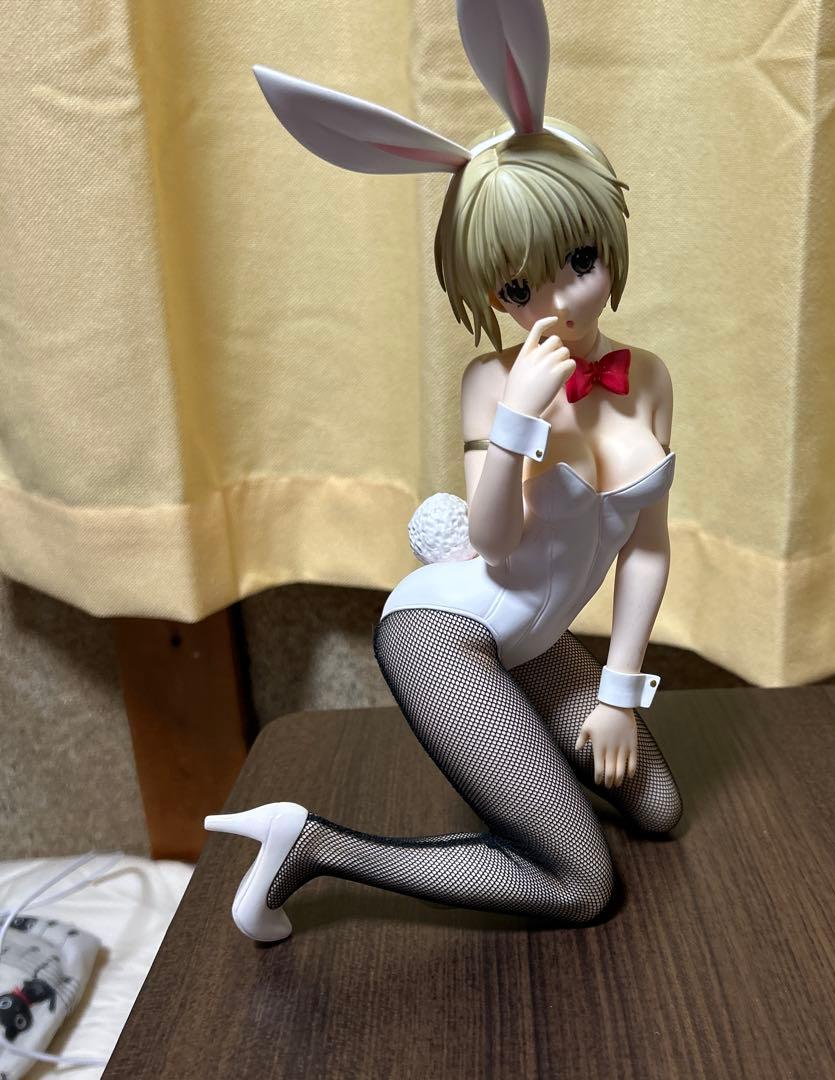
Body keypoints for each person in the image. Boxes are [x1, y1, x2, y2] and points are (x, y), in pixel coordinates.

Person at [204, 0, 683, 942]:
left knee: (658, 809)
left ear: (607, 238)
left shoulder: (651, 378)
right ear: (488, 292)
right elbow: (496, 545)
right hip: (448, 631)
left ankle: (541, 773)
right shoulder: (490, 383)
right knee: (582, 886)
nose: (555, 301)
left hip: (538, 640)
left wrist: (620, 695)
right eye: (518, 287)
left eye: (578, 261)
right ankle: (313, 846)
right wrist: (516, 423)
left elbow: (648, 550)